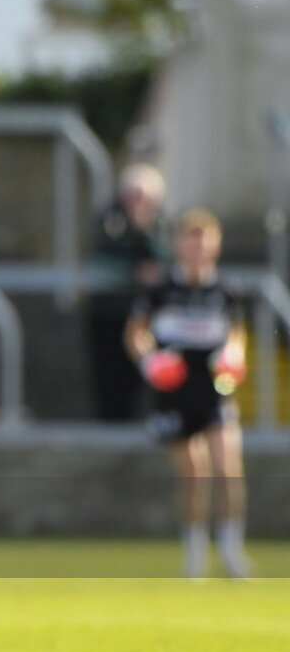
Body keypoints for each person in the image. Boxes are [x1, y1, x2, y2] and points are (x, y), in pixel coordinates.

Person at [124, 209, 250, 578]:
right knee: (194, 471)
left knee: (227, 466)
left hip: (214, 387)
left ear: (216, 246)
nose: (198, 248)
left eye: (205, 240)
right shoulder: (161, 288)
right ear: (179, 244)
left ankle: (231, 551)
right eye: (192, 239)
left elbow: (236, 333)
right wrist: (150, 361)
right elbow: (135, 333)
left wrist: (234, 353)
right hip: (175, 389)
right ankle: (195, 554)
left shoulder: (226, 290)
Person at [87, 163, 168, 421]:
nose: (137, 202)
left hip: (148, 316)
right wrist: (134, 273)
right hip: (109, 314)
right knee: (109, 378)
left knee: (148, 373)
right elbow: (97, 262)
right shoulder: (108, 222)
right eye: (132, 195)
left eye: (143, 196)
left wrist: (145, 233)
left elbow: (167, 262)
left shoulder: (161, 225)